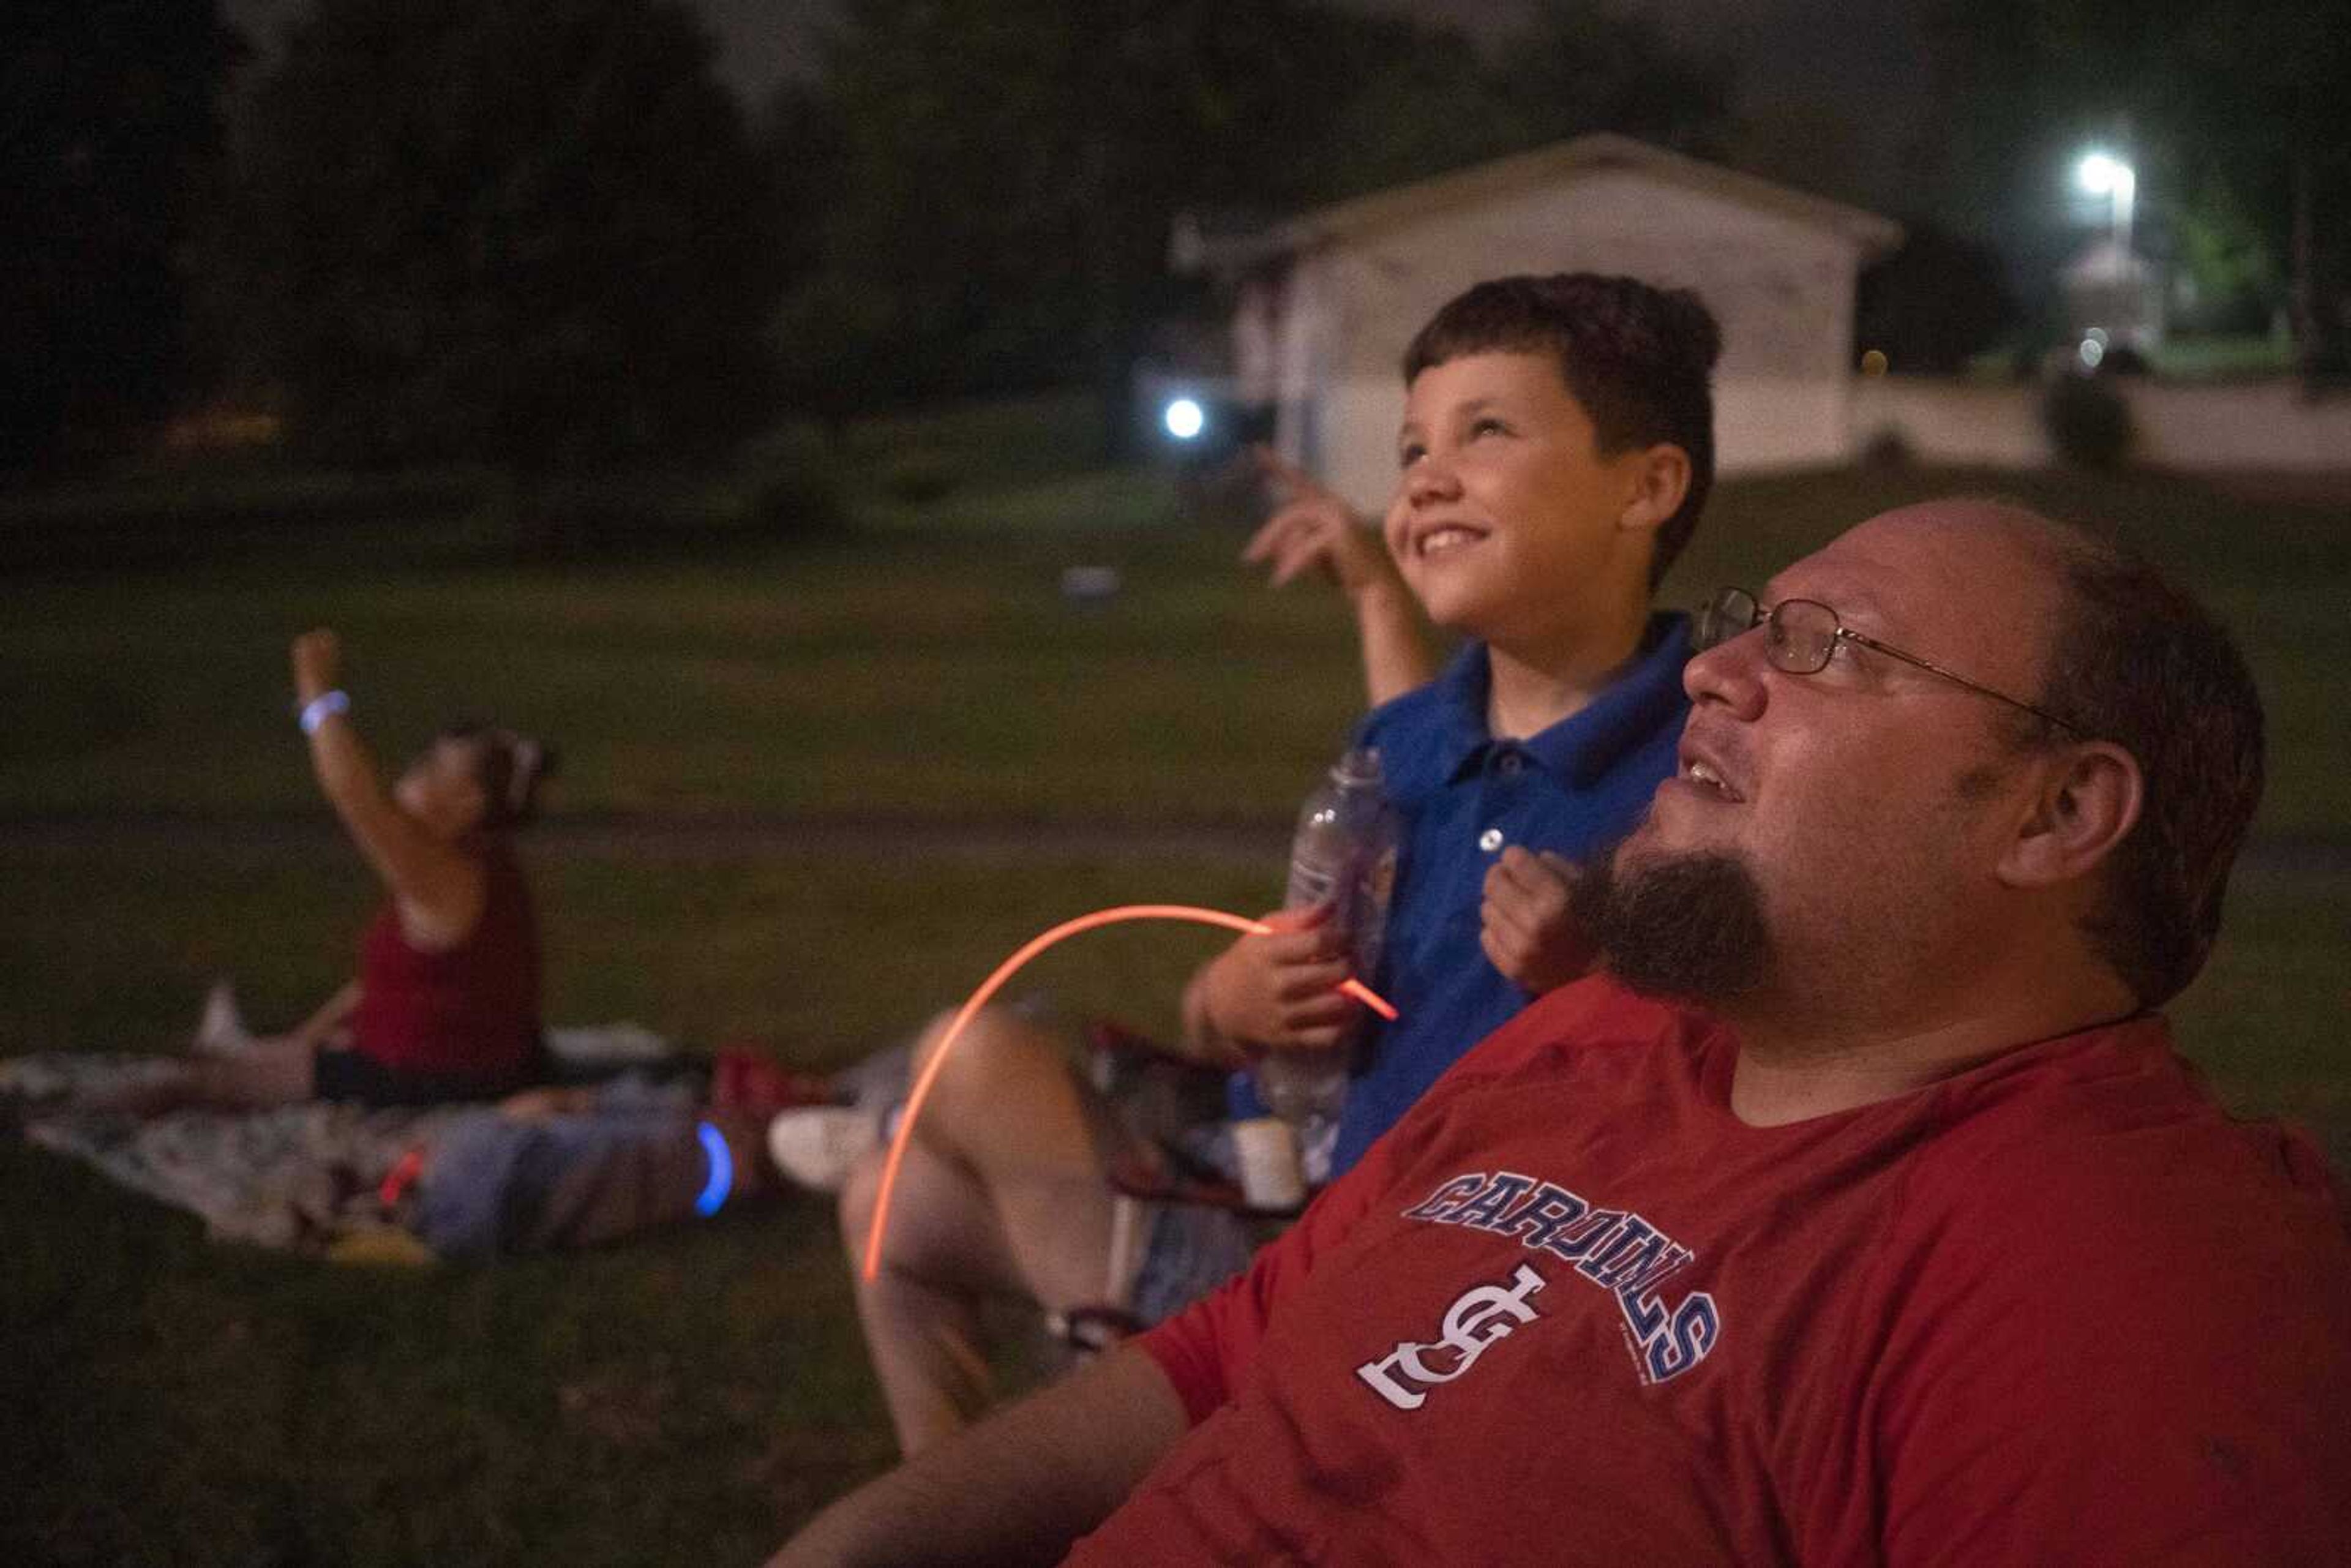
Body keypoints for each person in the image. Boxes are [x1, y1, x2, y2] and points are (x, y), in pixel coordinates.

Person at [770, 500, 2351, 1566]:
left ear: (2057, 810)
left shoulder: (2126, 1293)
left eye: (1825, 649)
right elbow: (1219, 1360)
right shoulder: (1603, 1035)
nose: (1714, 672)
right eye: (1751, 625)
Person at [812, 273, 1723, 1455]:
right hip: (1265, 1193)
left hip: (1398, 1293)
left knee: (973, 1057)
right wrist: (1234, 997)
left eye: (1486, 431)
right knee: (891, 1203)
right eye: (1411, 447)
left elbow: (1750, 1057)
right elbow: (1303, 970)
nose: (1426, 476)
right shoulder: (1404, 743)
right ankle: (1003, 1500)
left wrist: (1607, 971)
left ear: (1648, 486)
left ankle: (1156, 1445)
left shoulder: (1701, 760)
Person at [100, 629, 557, 1114]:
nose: (411, 771)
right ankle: (249, 1054)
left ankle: (52, 1111)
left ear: (467, 803)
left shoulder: (441, 871)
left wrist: (317, 692)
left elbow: (354, 794)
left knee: (192, 1086)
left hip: (438, 1079)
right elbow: (399, 982)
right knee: (252, 1062)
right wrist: (308, 1039)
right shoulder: (481, 860)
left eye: (430, 767)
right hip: (489, 1065)